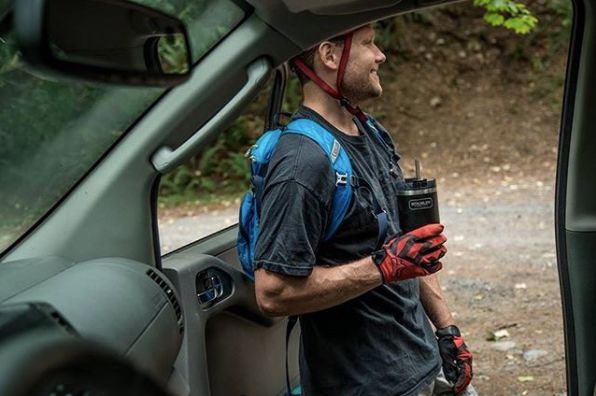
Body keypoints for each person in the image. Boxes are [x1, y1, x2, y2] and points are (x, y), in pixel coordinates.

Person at [253, 23, 475, 396]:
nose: (380, 55)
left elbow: (409, 248)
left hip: (421, 363)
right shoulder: (301, 162)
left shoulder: (369, 130)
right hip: (364, 385)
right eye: (369, 44)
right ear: (329, 55)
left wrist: (447, 328)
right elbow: (272, 293)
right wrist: (380, 268)